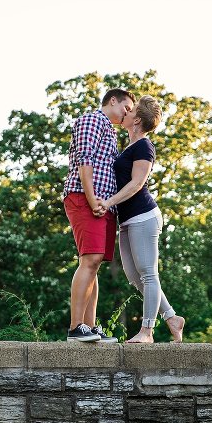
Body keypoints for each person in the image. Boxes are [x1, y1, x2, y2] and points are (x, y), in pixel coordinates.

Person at [93, 95, 184, 343]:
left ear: (136, 120)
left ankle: (147, 331)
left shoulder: (145, 146)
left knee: (148, 274)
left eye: (131, 111)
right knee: (134, 277)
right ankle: (172, 317)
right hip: (127, 220)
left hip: (143, 216)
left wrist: (109, 202)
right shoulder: (130, 146)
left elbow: (136, 184)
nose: (126, 112)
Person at [63, 88, 134, 342]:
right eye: (126, 108)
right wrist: (93, 200)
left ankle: (89, 328)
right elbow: (85, 160)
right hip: (85, 198)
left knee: (94, 265)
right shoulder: (92, 120)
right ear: (112, 100)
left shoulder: (110, 131)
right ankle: (75, 328)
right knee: (89, 260)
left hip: (103, 205)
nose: (127, 114)